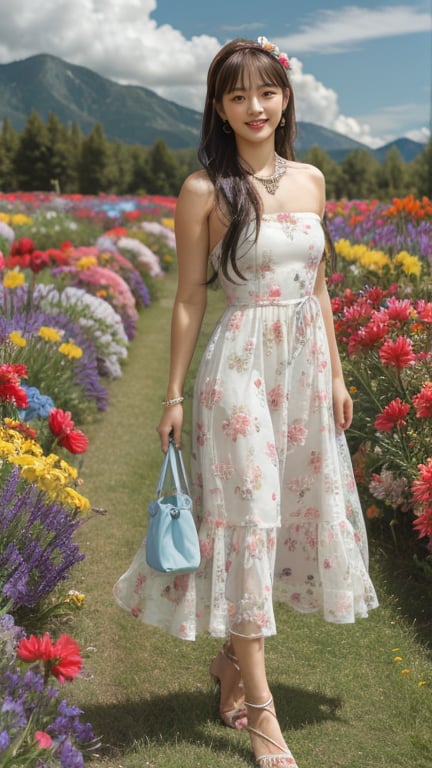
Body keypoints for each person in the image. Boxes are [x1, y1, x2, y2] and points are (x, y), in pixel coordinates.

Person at [114, 37, 379, 767]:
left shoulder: (313, 181)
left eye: (265, 92)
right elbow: (190, 300)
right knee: (251, 518)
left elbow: (319, 284)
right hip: (237, 367)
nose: (253, 107)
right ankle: (263, 714)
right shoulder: (206, 189)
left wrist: (336, 375)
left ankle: (231, 666)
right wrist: (171, 393)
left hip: (303, 367)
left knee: (289, 508)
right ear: (219, 107)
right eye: (236, 96)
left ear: (285, 97)